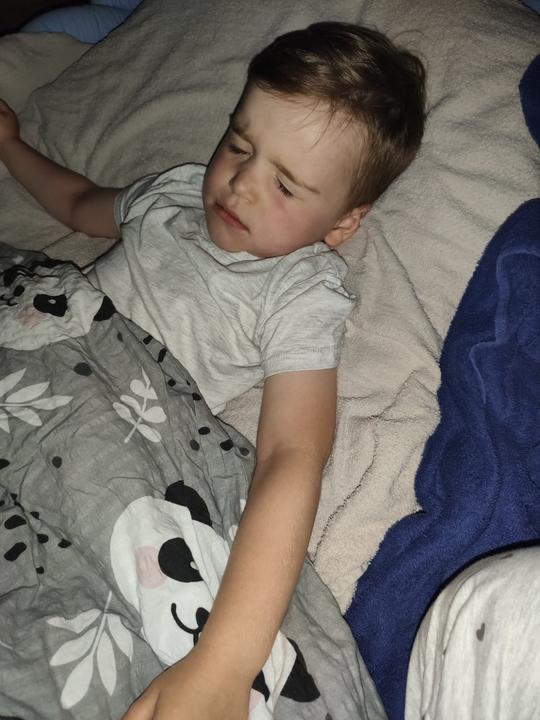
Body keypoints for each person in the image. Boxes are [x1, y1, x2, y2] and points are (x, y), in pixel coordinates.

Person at [0, 22, 426, 720]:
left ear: (343, 223)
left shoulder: (300, 289)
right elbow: (76, 203)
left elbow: (292, 453)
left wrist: (228, 660)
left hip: (106, 415)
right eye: (239, 145)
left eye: (285, 184)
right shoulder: (170, 194)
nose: (242, 185)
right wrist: (11, 146)